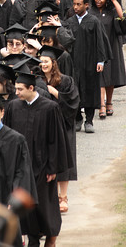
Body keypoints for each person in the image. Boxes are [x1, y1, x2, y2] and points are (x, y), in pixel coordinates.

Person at [4, 72, 72, 247]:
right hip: (21, 166)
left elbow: (55, 140)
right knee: (25, 206)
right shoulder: (13, 106)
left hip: (42, 166)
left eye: (20, 89)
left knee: (44, 206)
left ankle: (50, 237)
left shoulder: (49, 108)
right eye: (16, 88)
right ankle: (32, 240)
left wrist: (52, 167)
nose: (16, 92)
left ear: (31, 88)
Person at [58, 0, 109, 133]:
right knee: (75, 90)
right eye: (74, 4)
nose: (75, 7)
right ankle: (78, 119)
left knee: (90, 90)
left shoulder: (94, 21)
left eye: (79, 4)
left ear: (87, 5)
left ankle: (89, 120)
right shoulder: (69, 22)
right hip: (74, 63)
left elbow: (100, 41)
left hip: (90, 62)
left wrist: (101, 61)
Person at [39, 46, 79, 214]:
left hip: (63, 125)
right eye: (41, 61)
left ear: (53, 63)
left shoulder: (66, 81)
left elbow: (74, 103)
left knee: (65, 160)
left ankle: (63, 196)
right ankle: (52, 197)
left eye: (46, 61)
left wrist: (55, 92)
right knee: (48, 161)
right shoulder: (36, 81)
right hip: (44, 127)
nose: (43, 64)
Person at [89, 0, 126, 118]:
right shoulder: (91, 12)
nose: (98, 0)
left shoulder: (111, 11)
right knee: (99, 76)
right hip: (96, 48)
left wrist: (115, 0)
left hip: (111, 46)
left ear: (106, 0)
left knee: (110, 77)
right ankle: (101, 104)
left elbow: (122, 17)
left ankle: (109, 102)